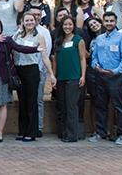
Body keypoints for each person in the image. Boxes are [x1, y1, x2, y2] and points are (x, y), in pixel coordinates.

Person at [11, 11, 54, 141]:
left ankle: (32, 131)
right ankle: (22, 130)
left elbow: (45, 57)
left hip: (31, 70)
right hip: (19, 70)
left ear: (35, 22)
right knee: (22, 101)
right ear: (22, 22)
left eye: (31, 20)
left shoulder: (39, 36)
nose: (29, 23)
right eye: (27, 20)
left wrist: (51, 74)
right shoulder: (17, 35)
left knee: (32, 101)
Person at [89, 11, 122, 144]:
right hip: (100, 77)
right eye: (106, 21)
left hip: (115, 77)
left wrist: (115, 71)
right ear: (103, 22)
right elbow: (94, 56)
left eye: (111, 21)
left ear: (116, 22)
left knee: (119, 106)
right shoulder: (99, 39)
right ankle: (101, 133)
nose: (109, 23)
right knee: (101, 105)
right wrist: (95, 66)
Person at [52, 17, 86, 143]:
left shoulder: (78, 40)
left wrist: (83, 76)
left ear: (74, 26)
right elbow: (55, 60)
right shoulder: (58, 41)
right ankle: (64, 132)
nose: (67, 27)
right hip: (61, 78)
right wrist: (54, 77)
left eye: (70, 24)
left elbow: (82, 59)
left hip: (74, 78)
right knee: (63, 106)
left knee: (72, 106)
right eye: (65, 24)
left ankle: (72, 135)